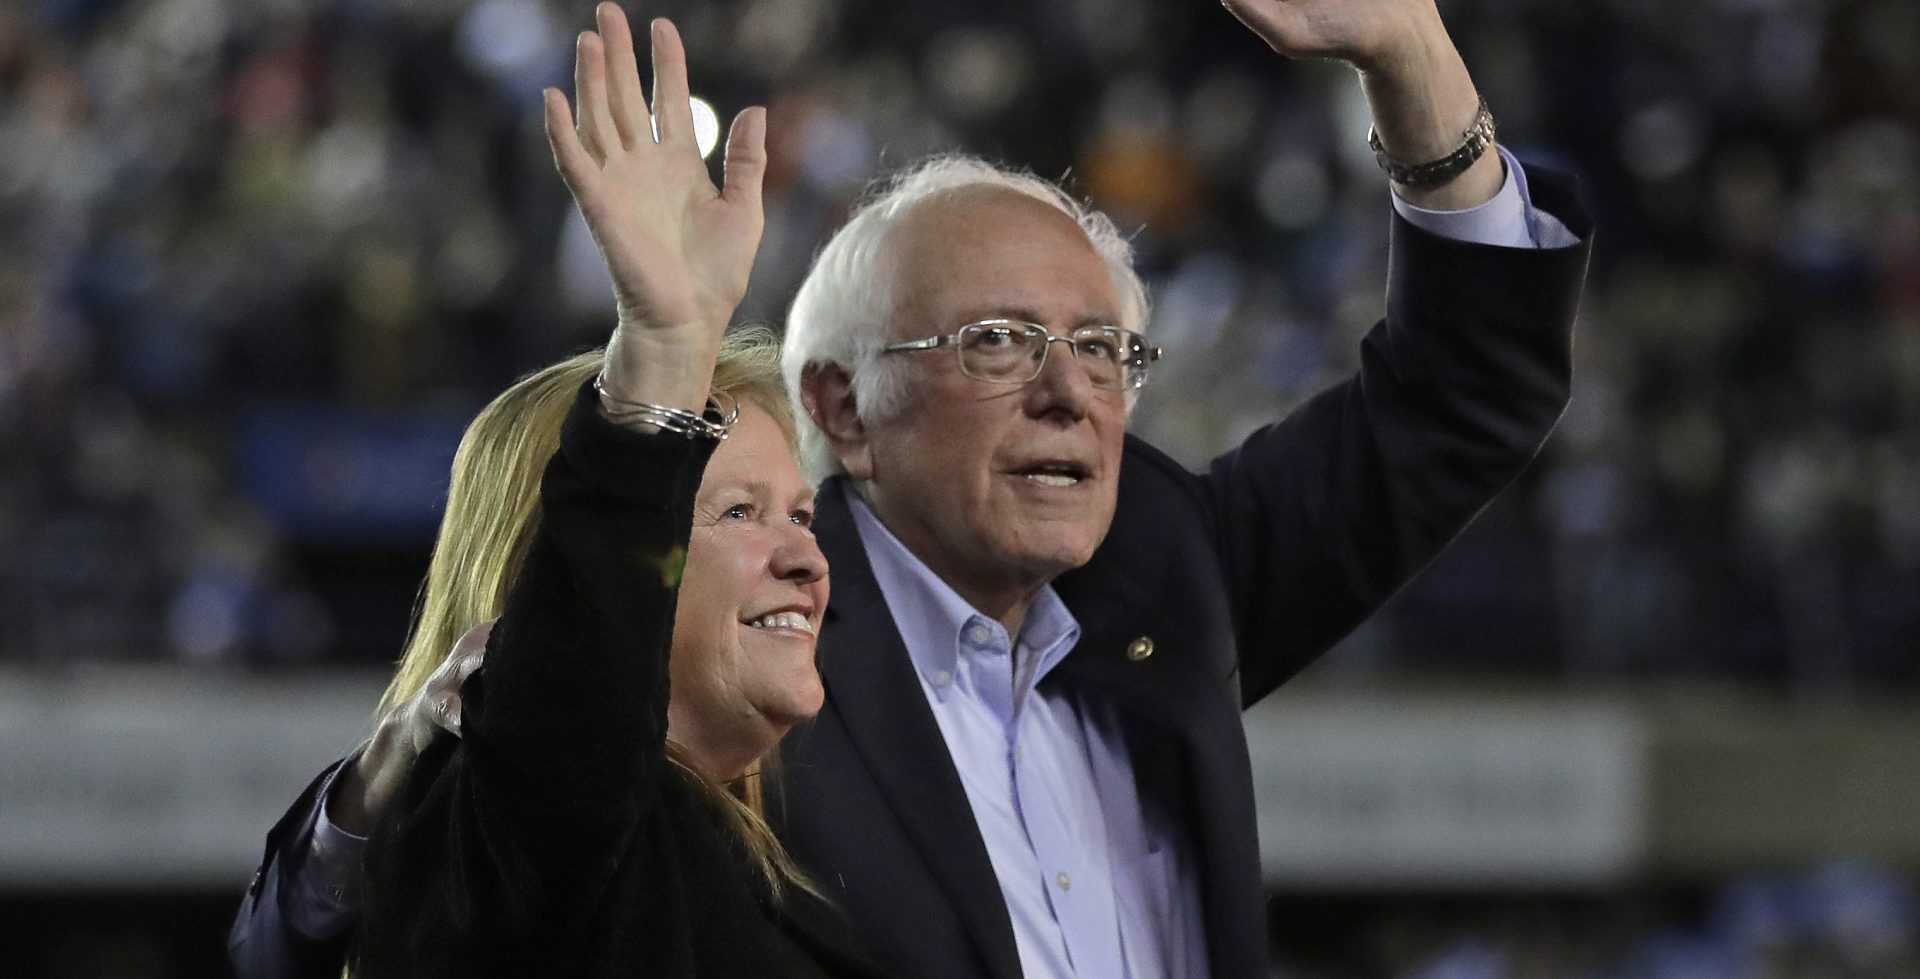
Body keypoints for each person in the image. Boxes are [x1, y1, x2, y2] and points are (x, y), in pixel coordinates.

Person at [233, 0, 1594, 975]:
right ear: (842, 407)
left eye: (1106, 349)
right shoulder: (745, 655)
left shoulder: (1164, 569)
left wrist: (1412, 52)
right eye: (997, 342)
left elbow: (1459, 396)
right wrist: (373, 795)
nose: (1072, 392)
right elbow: (481, 828)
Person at [237, 8, 882, 977]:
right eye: (739, 513)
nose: (805, 554)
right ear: (555, 569)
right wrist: (664, 349)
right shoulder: (560, 830)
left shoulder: (799, 849)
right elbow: (571, 709)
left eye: (798, 512)